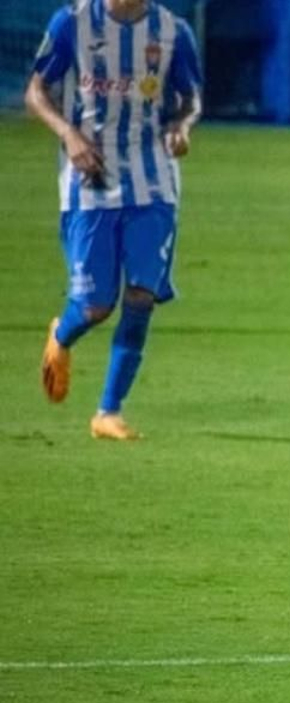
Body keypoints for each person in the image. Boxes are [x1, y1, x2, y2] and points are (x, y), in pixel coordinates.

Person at [28, 0, 203, 440]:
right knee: (95, 306)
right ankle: (62, 335)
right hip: (90, 180)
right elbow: (36, 91)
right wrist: (68, 134)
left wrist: (181, 127)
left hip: (154, 183)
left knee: (142, 294)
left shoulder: (172, 31)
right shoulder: (72, 23)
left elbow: (191, 99)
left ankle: (108, 411)